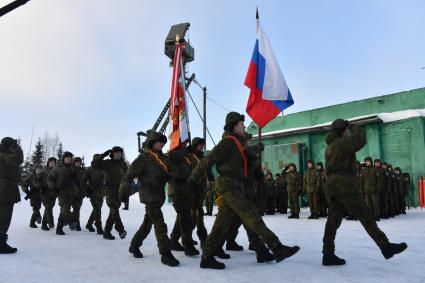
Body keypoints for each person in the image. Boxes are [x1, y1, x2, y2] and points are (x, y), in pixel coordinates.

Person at [191, 112, 300, 269]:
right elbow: (209, 160)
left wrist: (256, 148)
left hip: (237, 186)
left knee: (221, 224)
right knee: (252, 215)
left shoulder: (238, 143)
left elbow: (247, 153)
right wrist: (193, 179)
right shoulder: (227, 143)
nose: (244, 126)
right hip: (229, 185)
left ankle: (207, 256)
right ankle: (276, 247)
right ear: (234, 126)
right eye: (241, 124)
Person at [322, 119, 407, 266]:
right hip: (345, 184)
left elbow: (328, 170)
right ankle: (385, 246)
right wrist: (356, 127)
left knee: (332, 221)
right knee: (365, 215)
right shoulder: (341, 143)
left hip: (332, 185)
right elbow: (360, 140)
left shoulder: (329, 147)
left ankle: (327, 254)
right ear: (343, 130)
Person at [123, 131, 180, 267]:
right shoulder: (144, 158)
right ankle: (165, 254)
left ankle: (134, 245)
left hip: (158, 195)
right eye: (158, 141)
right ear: (152, 142)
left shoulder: (164, 159)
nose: (161, 144)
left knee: (147, 223)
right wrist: (123, 192)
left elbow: (174, 171)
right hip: (148, 194)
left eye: (162, 142)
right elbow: (129, 175)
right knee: (160, 224)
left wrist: (168, 176)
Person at [92, 146, 128, 240]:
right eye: (116, 152)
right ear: (112, 154)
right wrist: (103, 155)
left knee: (113, 212)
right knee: (114, 209)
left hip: (119, 191)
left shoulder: (123, 165)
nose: (118, 154)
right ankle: (120, 229)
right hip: (109, 190)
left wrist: (126, 190)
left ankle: (107, 232)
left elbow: (127, 178)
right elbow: (94, 164)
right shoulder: (107, 163)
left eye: (120, 152)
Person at [0, 137, 24, 254]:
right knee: (4, 217)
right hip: (5, 189)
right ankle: (0, 244)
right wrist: (16, 147)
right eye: (12, 145)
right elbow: (18, 159)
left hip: (5, 188)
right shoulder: (4, 156)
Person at [47, 151, 79, 235]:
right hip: (62, 193)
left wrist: (75, 177)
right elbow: (49, 179)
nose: (68, 159)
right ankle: (60, 227)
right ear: (63, 159)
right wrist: (54, 188)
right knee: (64, 210)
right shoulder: (57, 168)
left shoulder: (73, 168)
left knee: (67, 210)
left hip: (72, 192)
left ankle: (67, 223)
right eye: (66, 158)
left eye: (70, 158)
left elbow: (78, 179)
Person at [83, 156, 105, 234]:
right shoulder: (90, 169)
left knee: (96, 209)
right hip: (93, 192)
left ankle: (89, 224)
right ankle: (98, 226)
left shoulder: (103, 169)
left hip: (101, 193)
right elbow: (83, 180)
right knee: (97, 209)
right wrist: (87, 189)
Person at [361, 157, 380, 221]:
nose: (367, 162)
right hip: (366, 190)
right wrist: (362, 189)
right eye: (366, 161)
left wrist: (377, 188)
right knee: (368, 204)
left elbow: (379, 180)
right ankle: (371, 216)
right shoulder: (364, 170)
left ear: (371, 161)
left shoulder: (375, 169)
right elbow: (362, 181)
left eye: (368, 161)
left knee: (375, 204)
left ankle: (377, 216)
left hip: (374, 189)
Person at [41, 157, 58, 230]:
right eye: (51, 162)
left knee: (49, 207)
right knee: (48, 207)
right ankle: (51, 222)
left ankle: (44, 225)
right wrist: (42, 187)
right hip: (45, 192)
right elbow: (38, 180)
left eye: (54, 162)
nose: (52, 163)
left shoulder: (57, 171)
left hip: (53, 192)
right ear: (48, 163)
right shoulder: (44, 171)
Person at [70, 157, 85, 231]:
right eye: (77, 162)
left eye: (79, 162)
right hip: (72, 192)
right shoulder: (71, 169)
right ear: (74, 162)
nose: (78, 163)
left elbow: (86, 180)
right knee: (68, 209)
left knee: (77, 209)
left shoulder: (83, 170)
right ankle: (72, 222)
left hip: (80, 193)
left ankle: (76, 223)